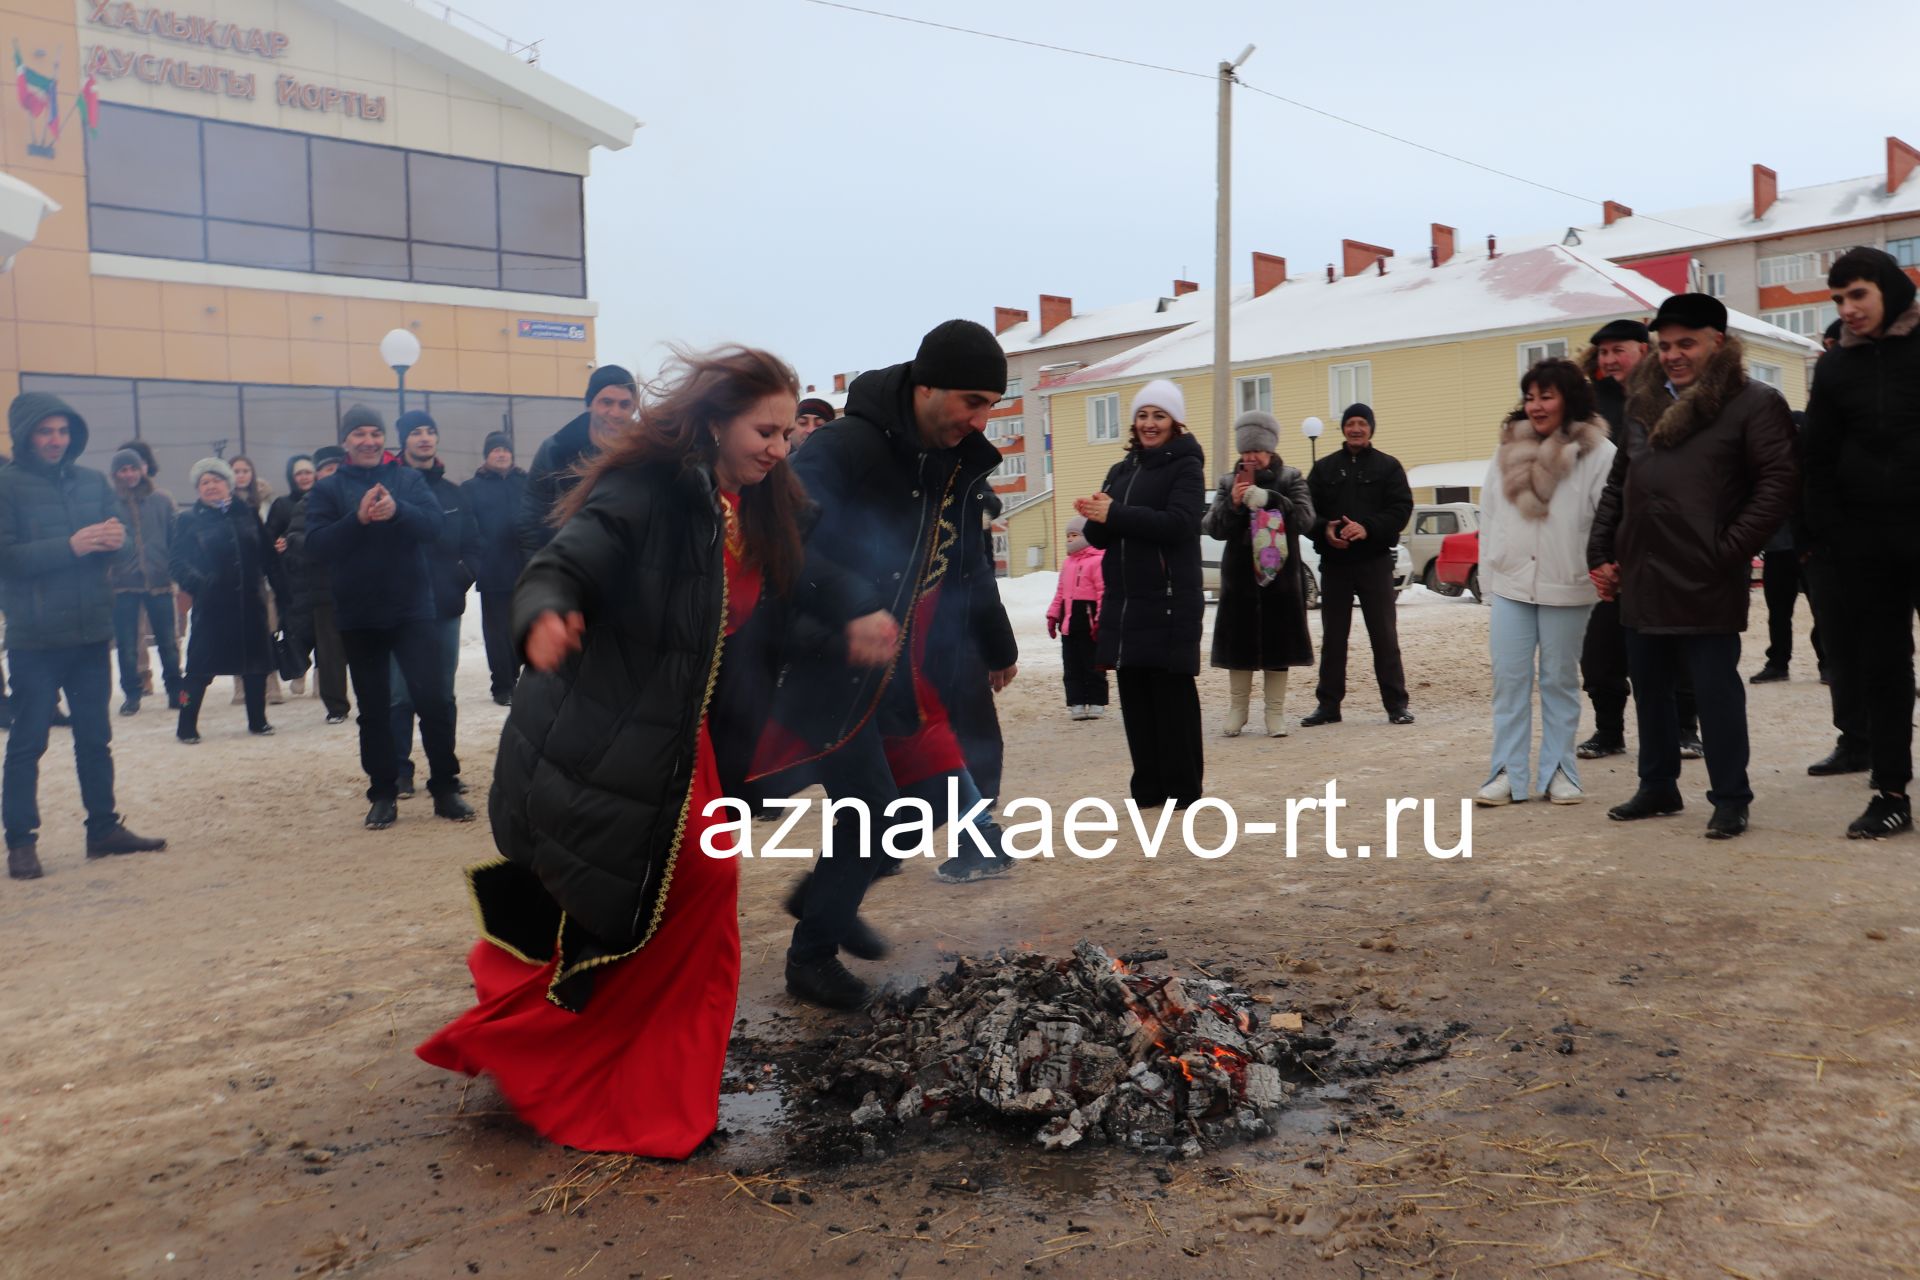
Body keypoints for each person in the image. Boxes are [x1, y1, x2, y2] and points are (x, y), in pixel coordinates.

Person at [417, 345, 890, 1156]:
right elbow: (565, 559)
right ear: (713, 420)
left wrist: (851, 617)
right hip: (611, 724)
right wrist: (547, 612)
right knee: (670, 889)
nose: (780, 448)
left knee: (684, 900)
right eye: (764, 430)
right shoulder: (651, 489)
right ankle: (585, 1066)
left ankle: (664, 1089)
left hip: (688, 735)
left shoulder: (766, 503)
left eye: (786, 433)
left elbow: (780, 601)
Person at [756, 319, 1011, 1008]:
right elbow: (782, 538)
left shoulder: (948, 460)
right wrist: (855, 605)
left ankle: (823, 899)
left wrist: (996, 639)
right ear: (926, 386)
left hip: (892, 661)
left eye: (991, 404)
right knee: (872, 807)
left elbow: (964, 561)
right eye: (971, 401)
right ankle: (810, 958)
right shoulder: (846, 446)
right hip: (820, 657)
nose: (979, 419)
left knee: (938, 797)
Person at [1587, 293, 1797, 840]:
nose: (1675, 354)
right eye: (1666, 344)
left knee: (1714, 690)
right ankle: (1657, 785)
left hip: (1706, 571)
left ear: (1717, 343)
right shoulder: (1641, 403)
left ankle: (1730, 797)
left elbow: (1777, 486)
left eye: (1688, 343)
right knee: (1650, 685)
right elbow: (1619, 485)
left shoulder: (1754, 403)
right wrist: (1602, 552)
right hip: (1643, 569)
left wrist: (1727, 549)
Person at [0, 393, 166, 880]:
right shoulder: (5, 485)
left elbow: (124, 541)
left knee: (96, 737)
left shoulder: (93, 481)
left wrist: (120, 541)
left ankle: (103, 829)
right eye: (46, 431)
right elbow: (6, 558)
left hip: (91, 631)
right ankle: (21, 841)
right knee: (28, 742)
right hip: (34, 637)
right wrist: (69, 546)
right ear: (26, 434)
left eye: (63, 431)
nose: (56, 440)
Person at [304, 406, 471, 829]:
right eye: (359, 433)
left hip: (413, 609)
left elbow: (434, 525)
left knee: (433, 701)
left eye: (375, 433)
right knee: (374, 709)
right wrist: (357, 519)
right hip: (359, 615)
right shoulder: (328, 489)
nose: (368, 441)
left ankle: (446, 787)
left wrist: (398, 511)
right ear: (345, 441)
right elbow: (317, 546)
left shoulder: (407, 480)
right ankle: (383, 792)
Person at [1804, 246, 1920, 838]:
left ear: (1890, 290)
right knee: (1883, 668)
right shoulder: (1833, 369)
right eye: (1838, 299)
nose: (1847, 310)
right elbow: (1816, 459)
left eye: (1858, 295)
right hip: (1867, 544)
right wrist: (1831, 534)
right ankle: (1891, 792)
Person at [1475, 359, 1615, 806]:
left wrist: (1605, 570)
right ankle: (1506, 774)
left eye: (1547, 396)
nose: (1536, 406)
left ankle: (1559, 771)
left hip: (1567, 583)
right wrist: (1488, 580)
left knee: (1558, 680)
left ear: (1568, 398)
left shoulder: (1599, 453)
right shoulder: (1506, 452)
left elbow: (1607, 520)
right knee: (1509, 679)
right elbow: (1491, 517)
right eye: (1530, 396)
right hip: (1512, 582)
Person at [1579, 320, 1705, 763]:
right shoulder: (1594, 404)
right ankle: (1608, 730)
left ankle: (1686, 730)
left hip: (1669, 539)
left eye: (1619, 350)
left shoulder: (1670, 392)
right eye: (1603, 352)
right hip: (1615, 539)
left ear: (1643, 349)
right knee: (1600, 650)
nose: (1610, 360)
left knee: (1675, 642)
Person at [1077, 378, 1207, 806]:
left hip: (1168, 598)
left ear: (1175, 422)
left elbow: (1179, 523)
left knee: (1171, 696)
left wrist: (1116, 513)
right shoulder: (1122, 470)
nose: (1150, 424)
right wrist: (1095, 515)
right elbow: (1102, 536)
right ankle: (1148, 788)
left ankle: (1183, 789)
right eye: (1143, 415)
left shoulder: (1186, 466)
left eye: (1159, 415)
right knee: (1135, 698)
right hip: (1127, 601)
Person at [1202, 410, 1315, 739]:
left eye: (1258, 450)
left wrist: (1271, 500)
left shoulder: (1291, 478)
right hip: (1239, 581)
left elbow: (1307, 520)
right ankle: (1238, 709)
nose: (1251, 457)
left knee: (1279, 646)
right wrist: (1232, 506)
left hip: (1280, 580)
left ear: (1271, 449)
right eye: (1246, 451)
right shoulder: (1227, 482)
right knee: (1239, 646)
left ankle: (1274, 713)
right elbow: (1212, 527)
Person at [1302, 404, 1414, 727]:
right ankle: (1328, 706)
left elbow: (1401, 509)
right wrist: (1325, 529)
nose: (1355, 429)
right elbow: (1305, 511)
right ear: (1343, 429)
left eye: (1361, 423)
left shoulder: (1389, 467)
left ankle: (1396, 704)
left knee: (1384, 636)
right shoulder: (1323, 469)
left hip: (1374, 562)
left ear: (1371, 428)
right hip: (1335, 563)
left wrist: (1368, 527)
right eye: (1350, 423)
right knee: (1334, 638)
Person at [389, 411, 480, 799]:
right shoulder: (389, 489)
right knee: (399, 695)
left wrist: (461, 576)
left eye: (430, 431)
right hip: (397, 612)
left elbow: (475, 545)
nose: (424, 438)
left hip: (443, 608)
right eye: (416, 432)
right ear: (403, 441)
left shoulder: (453, 493)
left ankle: (445, 770)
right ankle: (398, 771)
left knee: (442, 694)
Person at [170, 458, 286, 742]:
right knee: (197, 671)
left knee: (255, 667)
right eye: (204, 482)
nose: (211, 486)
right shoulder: (188, 519)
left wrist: (284, 590)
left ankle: (258, 721)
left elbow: (267, 555)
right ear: (198, 489)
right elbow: (177, 562)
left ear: (229, 484)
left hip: (250, 605)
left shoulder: (247, 513)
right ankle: (186, 725)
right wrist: (200, 583)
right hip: (212, 609)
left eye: (216, 480)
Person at [518, 365, 636, 555]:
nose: (615, 413)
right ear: (590, 403)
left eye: (624, 404)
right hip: (568, 571)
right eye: (607, 402)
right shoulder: (556, 451)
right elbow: (531, 518)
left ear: (634, 408)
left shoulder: (647, 454)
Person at [108, 446, 182, 716]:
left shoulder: (162, 499)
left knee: (168, 642)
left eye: (133, 468)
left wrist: (174, 570)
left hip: (160, 579)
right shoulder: (108, 502)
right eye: (122, 470)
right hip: (123, 583)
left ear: (142, 469)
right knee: (126, 645)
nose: (129, 474)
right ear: (115, 474)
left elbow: (176, 538)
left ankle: (176, 691)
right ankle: (132, 693)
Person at [1749, 410, 1822, 685]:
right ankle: (1778, 663)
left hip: (1810, 546)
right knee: (1778, 611)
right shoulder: (1768, 464)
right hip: (1778, 547)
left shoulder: (1813, 461)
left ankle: (1827, 662)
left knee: (1821, 609)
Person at [286, 446, 352, 724]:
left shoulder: (360, 496)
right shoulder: (308, 503)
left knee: (366, 647)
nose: (333, 473)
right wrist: (327, 543)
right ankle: (337, 706)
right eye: (327, 469)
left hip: (362, 585)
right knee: (330, 652)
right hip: (324, 587)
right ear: (318, 474)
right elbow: (295, 539)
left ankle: (375, 698)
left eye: (337, 467)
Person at [462, 431, 528, 706]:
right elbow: (467, 529)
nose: (501, 454)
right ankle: (502, 685)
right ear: (487, 456)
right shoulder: (471, 488)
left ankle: (521, 680)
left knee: (524, 628)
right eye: (495, 450)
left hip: (527, 569)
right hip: (493, 570)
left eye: (506, 450)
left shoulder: (526, 483)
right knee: (497, 633)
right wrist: (479, 558)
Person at [265, 454, 316, 696]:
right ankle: (299, 668)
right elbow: (270, 536)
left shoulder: (324, 501)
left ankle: (322, 675)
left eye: (308, 472)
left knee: (323, 631)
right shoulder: (281, 505)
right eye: (299, 473)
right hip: (291, 578)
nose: (304, 477)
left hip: (318, 576)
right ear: (291, 477)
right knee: (294, 628)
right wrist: (276, 545)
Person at [1046, 516, 1106, 720]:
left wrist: (1100, 619)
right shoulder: (1068, 563)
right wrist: (1053, 615)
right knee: (1071, 666)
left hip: (1088, 623)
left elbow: (1102, 592)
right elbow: (1060, 592)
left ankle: (1097, 701)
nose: (1070, 539)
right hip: (1069, 623)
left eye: (1075, 535)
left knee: (1093, 665)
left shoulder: (1097, 560)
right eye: (1068, 536)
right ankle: (1076, 702)